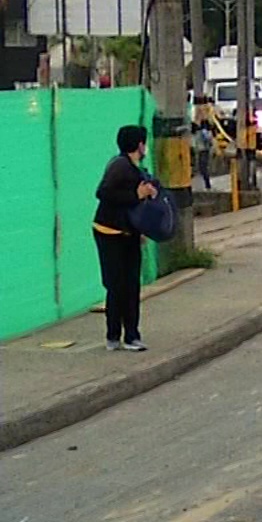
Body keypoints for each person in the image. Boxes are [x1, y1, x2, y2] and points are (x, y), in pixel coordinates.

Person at [94, 124, 158, 352]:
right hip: (109, 232)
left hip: (128, 232)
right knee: (116, 285)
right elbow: (103, 193)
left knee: (131, 284)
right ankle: (113, 336)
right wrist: (135, 194)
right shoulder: (120, 166)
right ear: (140, 144)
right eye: (144, 142)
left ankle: (132, 335)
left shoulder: (135, 168)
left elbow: (134, 207)